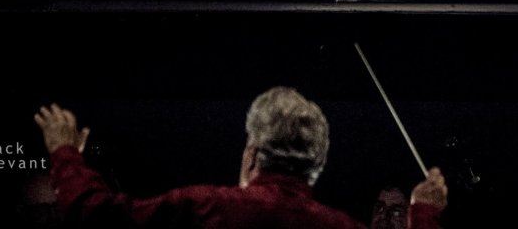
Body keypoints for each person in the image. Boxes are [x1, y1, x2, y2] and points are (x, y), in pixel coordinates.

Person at [33, 88, 447, 229]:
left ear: (252, 155)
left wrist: (65, 153)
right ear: (316, 167)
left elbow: (94, 216)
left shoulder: (201, 208)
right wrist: (424, 213)